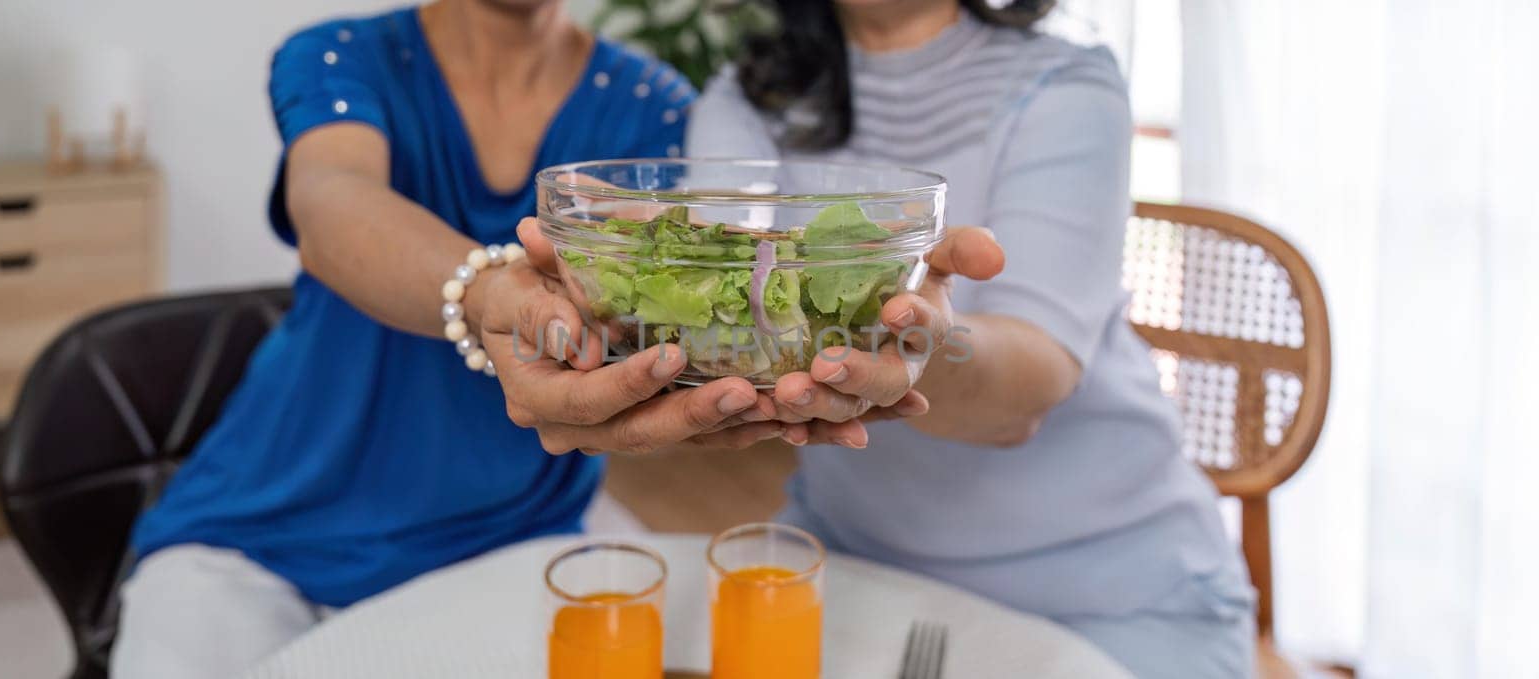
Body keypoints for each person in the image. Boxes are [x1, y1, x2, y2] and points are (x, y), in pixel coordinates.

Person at [111, 2, 787, 676]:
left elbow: (673, 296)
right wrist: (488, 291)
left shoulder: (653, 103)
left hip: (520, 529)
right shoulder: (342, 55)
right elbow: (329, 201)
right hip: (268, 536)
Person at [680, 0, 1257, 676]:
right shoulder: (750, 96)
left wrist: (918, 349)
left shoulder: (1064, 84)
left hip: (1107, 589)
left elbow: (1030, 385)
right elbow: (713, 297)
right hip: (852, 556)